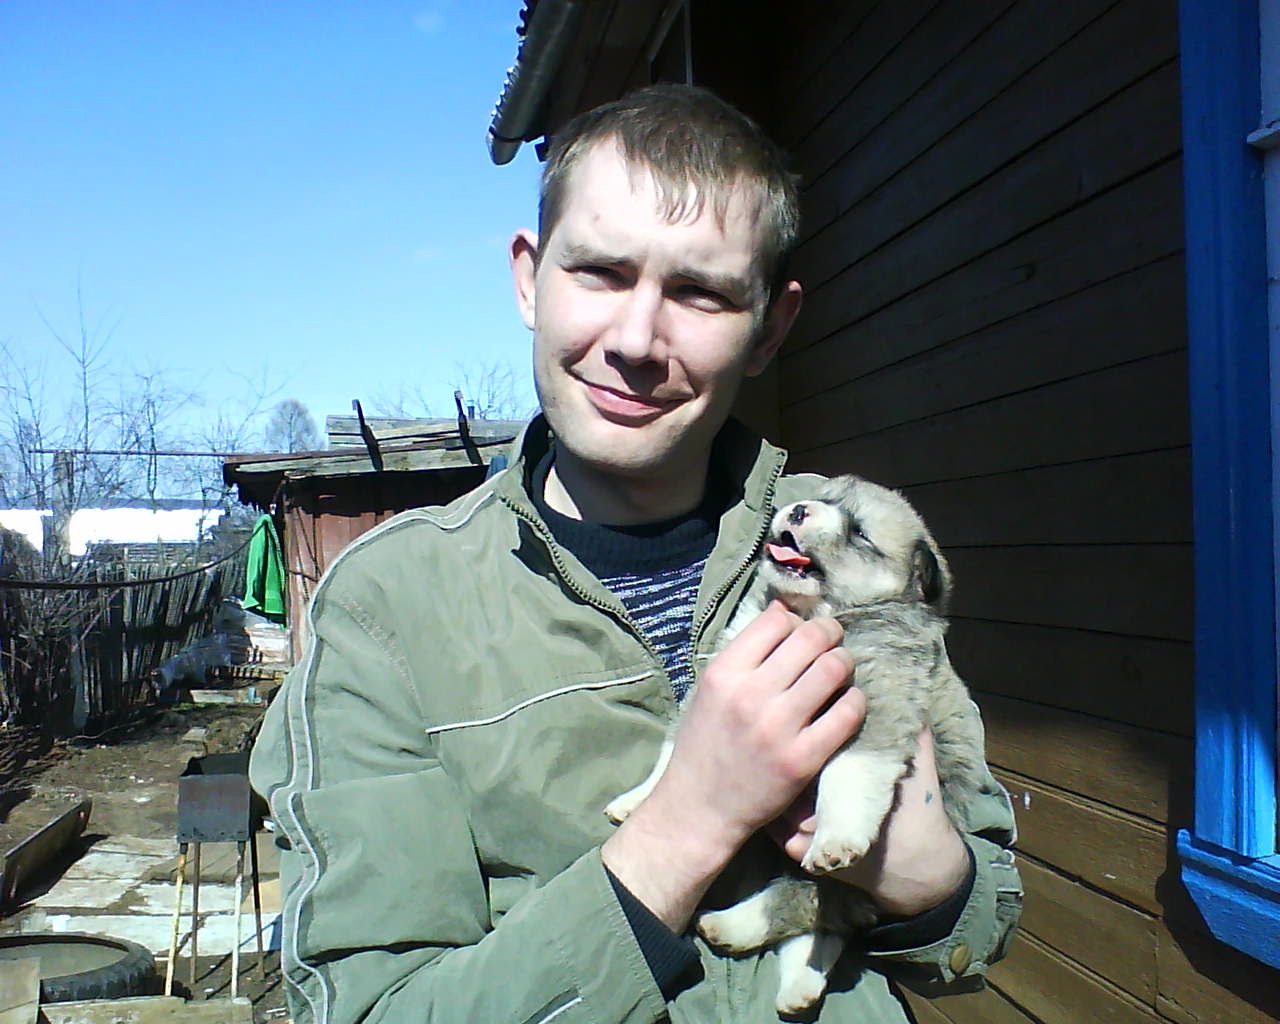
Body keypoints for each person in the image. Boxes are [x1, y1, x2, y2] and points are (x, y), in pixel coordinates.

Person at [249, 83, 1021, 1024]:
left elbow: (982, 912)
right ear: (530, 279)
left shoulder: (862, 564)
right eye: (601, 273)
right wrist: (688, 823)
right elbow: (370, 1009)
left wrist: (930, 877)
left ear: (771, 327)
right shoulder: (390, 606)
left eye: (699, 292)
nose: (636, 340)